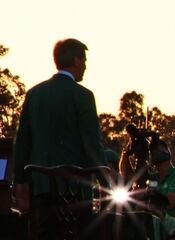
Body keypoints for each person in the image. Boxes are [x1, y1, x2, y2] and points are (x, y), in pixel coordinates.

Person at [12, 39, 105, 214]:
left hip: (40, 186)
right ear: (77, 61)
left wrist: (20, 181)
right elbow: (91, 143)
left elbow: (22, 141)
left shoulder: (34, 94)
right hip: (74, 190)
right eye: (84, 61)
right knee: (81, 237)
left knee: (42, 236)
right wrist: (107, 182)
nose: (85, 66)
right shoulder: (83, 96)